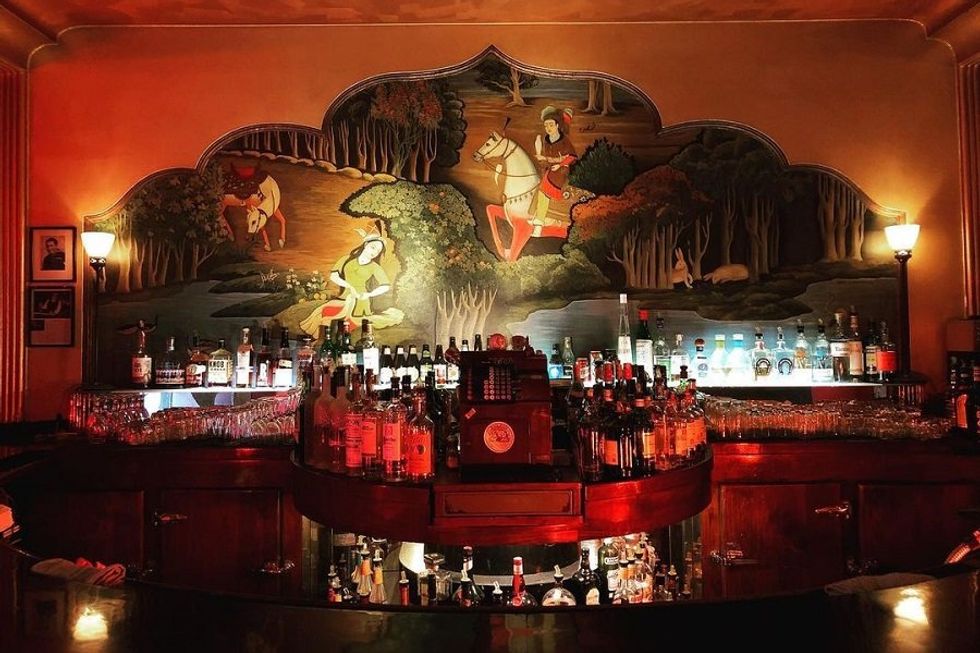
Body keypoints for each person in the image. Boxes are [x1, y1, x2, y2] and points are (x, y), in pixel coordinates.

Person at [299, 230, 404, 336]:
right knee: (326, 311)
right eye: (373, 247)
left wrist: (369, 294)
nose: (374, 252)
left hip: (360, 298)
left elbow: (385, 286)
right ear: (366, 244)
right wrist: (348, 285)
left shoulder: (374, 267)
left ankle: (337, 339)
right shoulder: (346, 259)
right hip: (345, 296)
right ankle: (323, 340)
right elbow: (334, 276)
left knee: (348, 324)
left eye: (378, 251)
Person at [532, 106, 577, 234]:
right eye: (546, 126)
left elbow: (572, 156)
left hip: (562, 170)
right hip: (550, 169)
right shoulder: (547, 140)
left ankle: (539, 222)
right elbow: (547, 159)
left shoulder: (564, 140)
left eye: (551, 125)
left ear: (557, 125)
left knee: (544, 189)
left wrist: (560, 164)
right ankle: (538, 215)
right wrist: (541, 157)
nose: (548, 128)